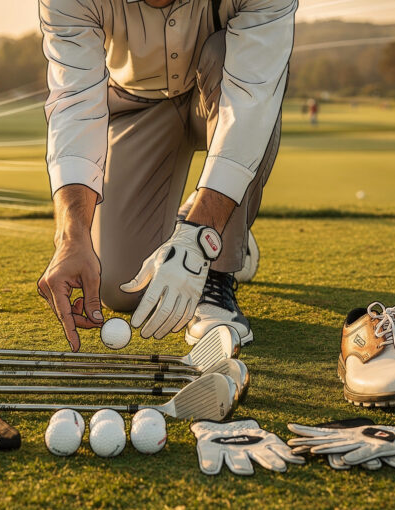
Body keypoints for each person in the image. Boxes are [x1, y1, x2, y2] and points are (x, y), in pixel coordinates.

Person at [37, 0, 296, 352]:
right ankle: (199, 219)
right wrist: (71, 235)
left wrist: (198, 239)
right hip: (137, 107)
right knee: (120, 287)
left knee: (225, 54)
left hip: (227, 88)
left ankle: (216, 268)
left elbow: (253, 100)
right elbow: (76, 104)